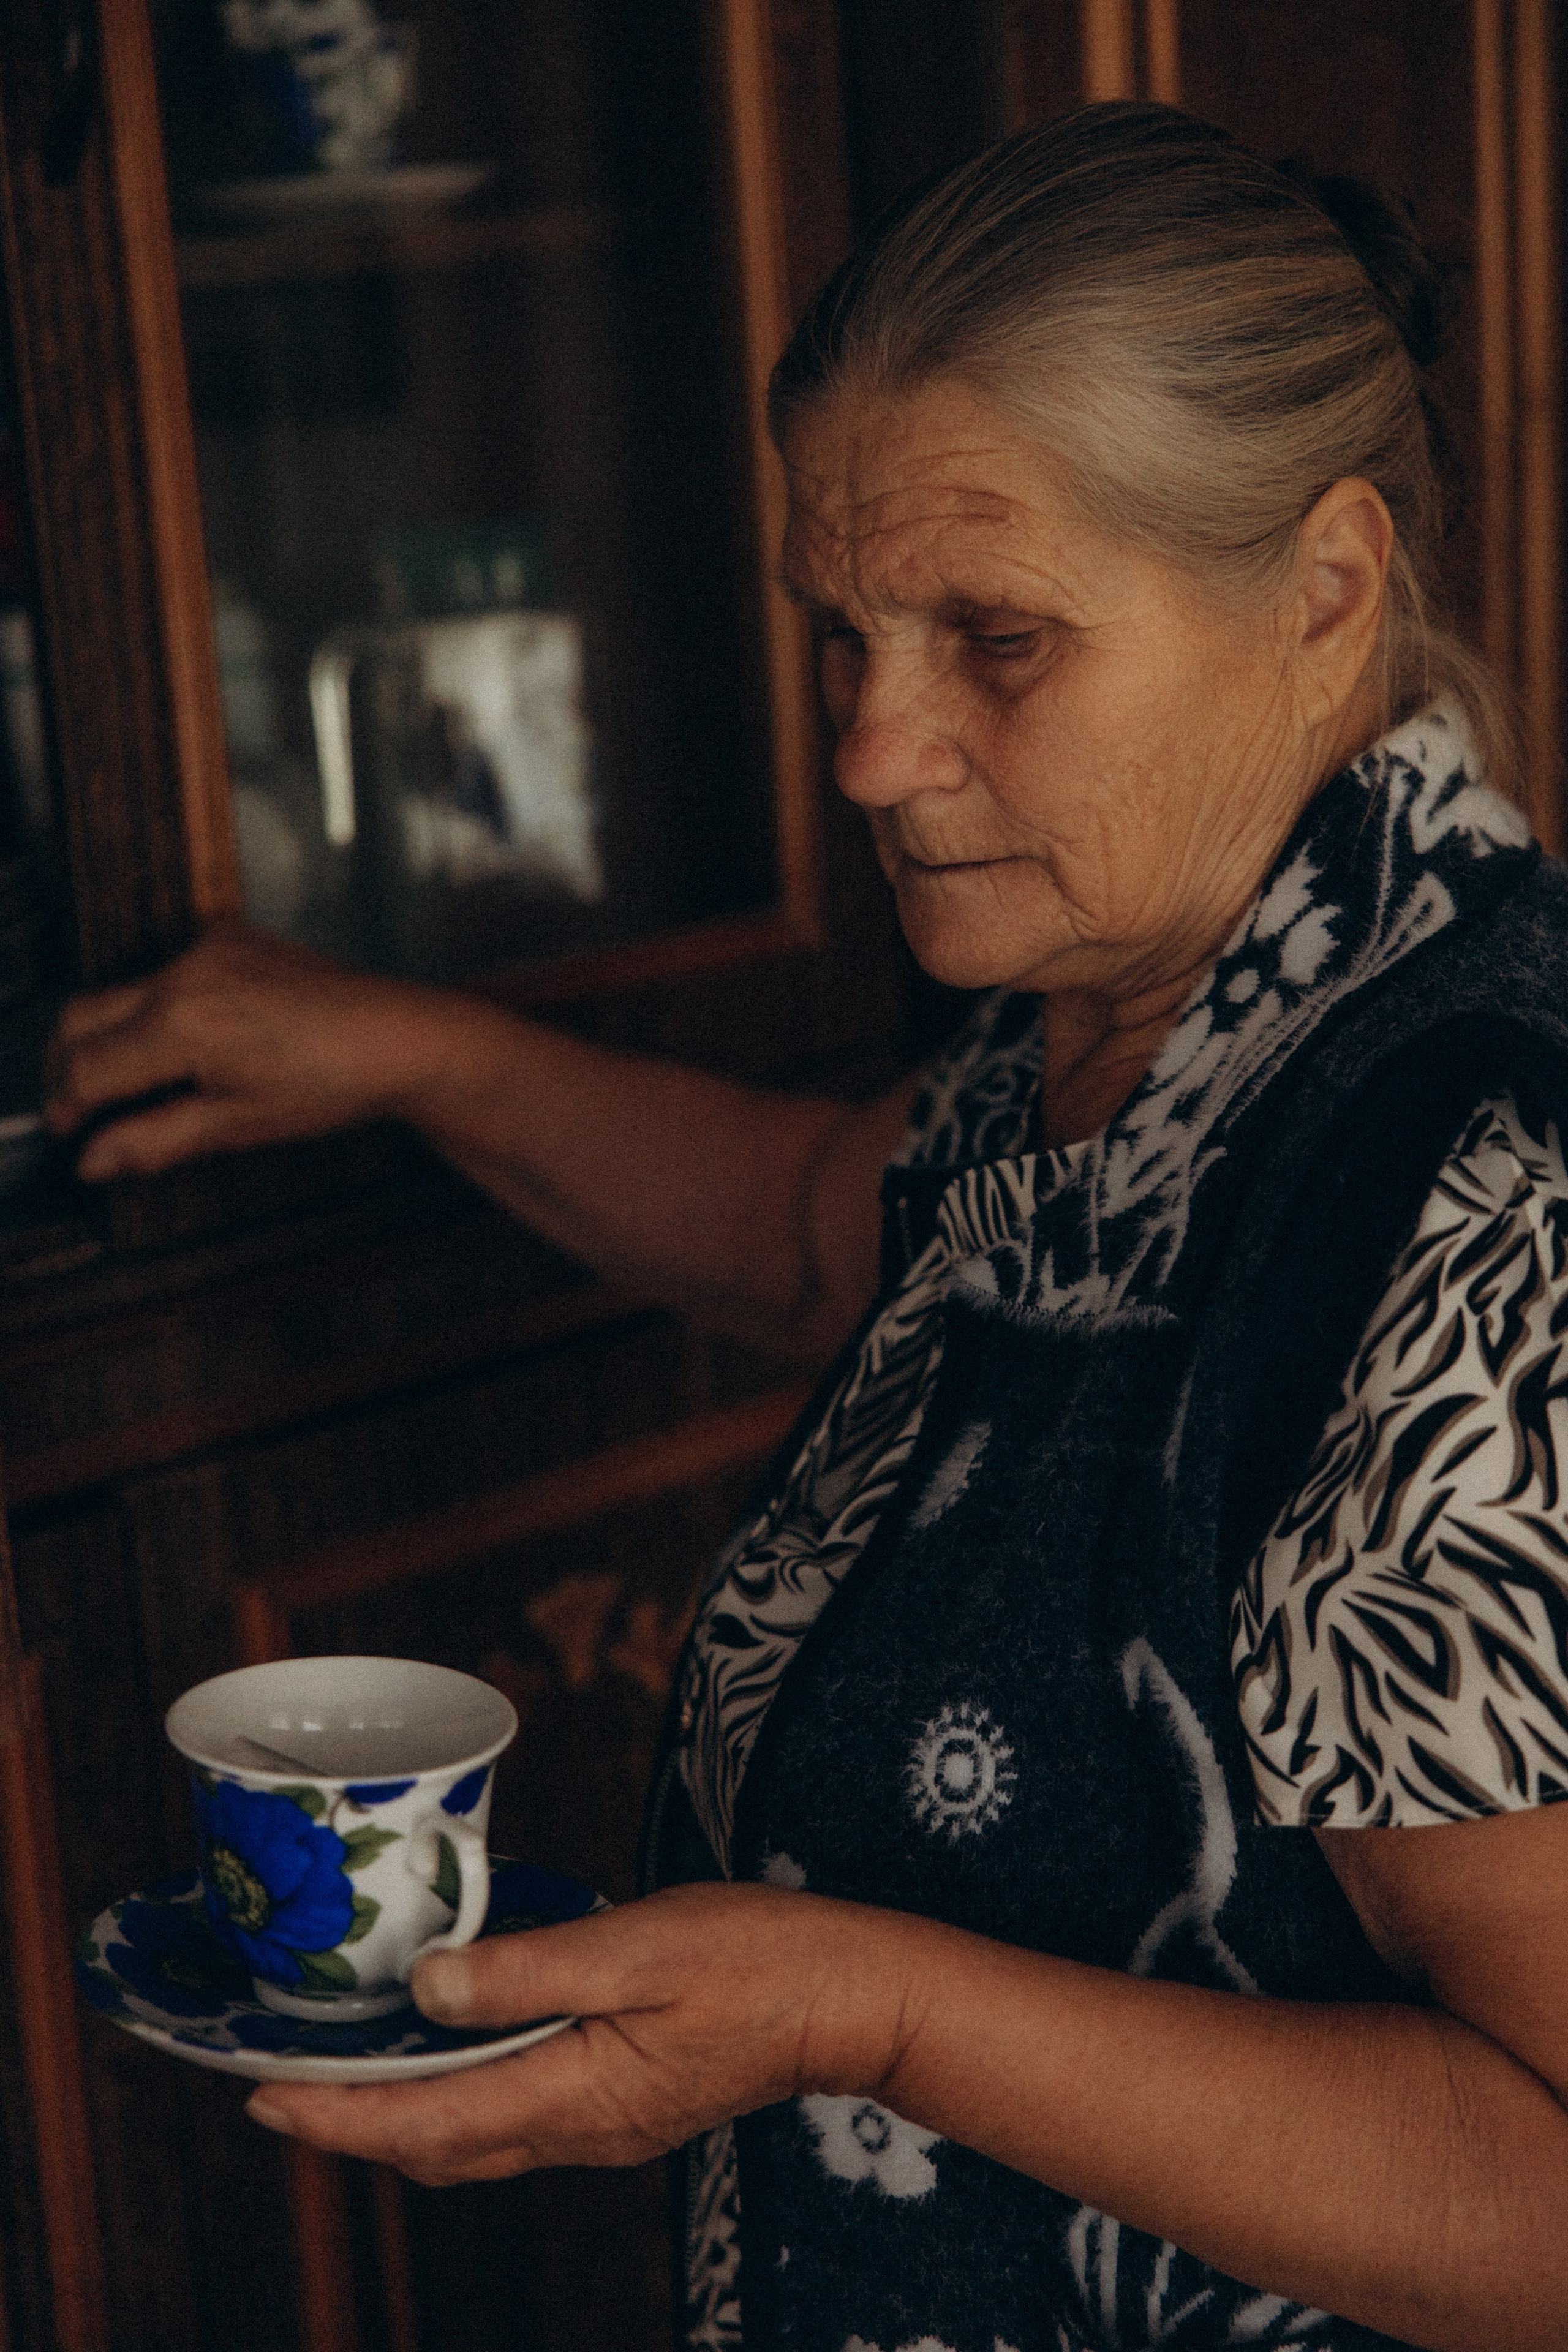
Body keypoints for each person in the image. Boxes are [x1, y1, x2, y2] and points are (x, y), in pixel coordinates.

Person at [46, 103, 1568, 2352]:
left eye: (997, 639)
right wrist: (422, 1056)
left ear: (1324, 591)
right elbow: (817, 1232)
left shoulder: (1480, 1211)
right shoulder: (1146, 1013)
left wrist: (858, 2008)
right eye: (843, 628)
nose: (869, 745)